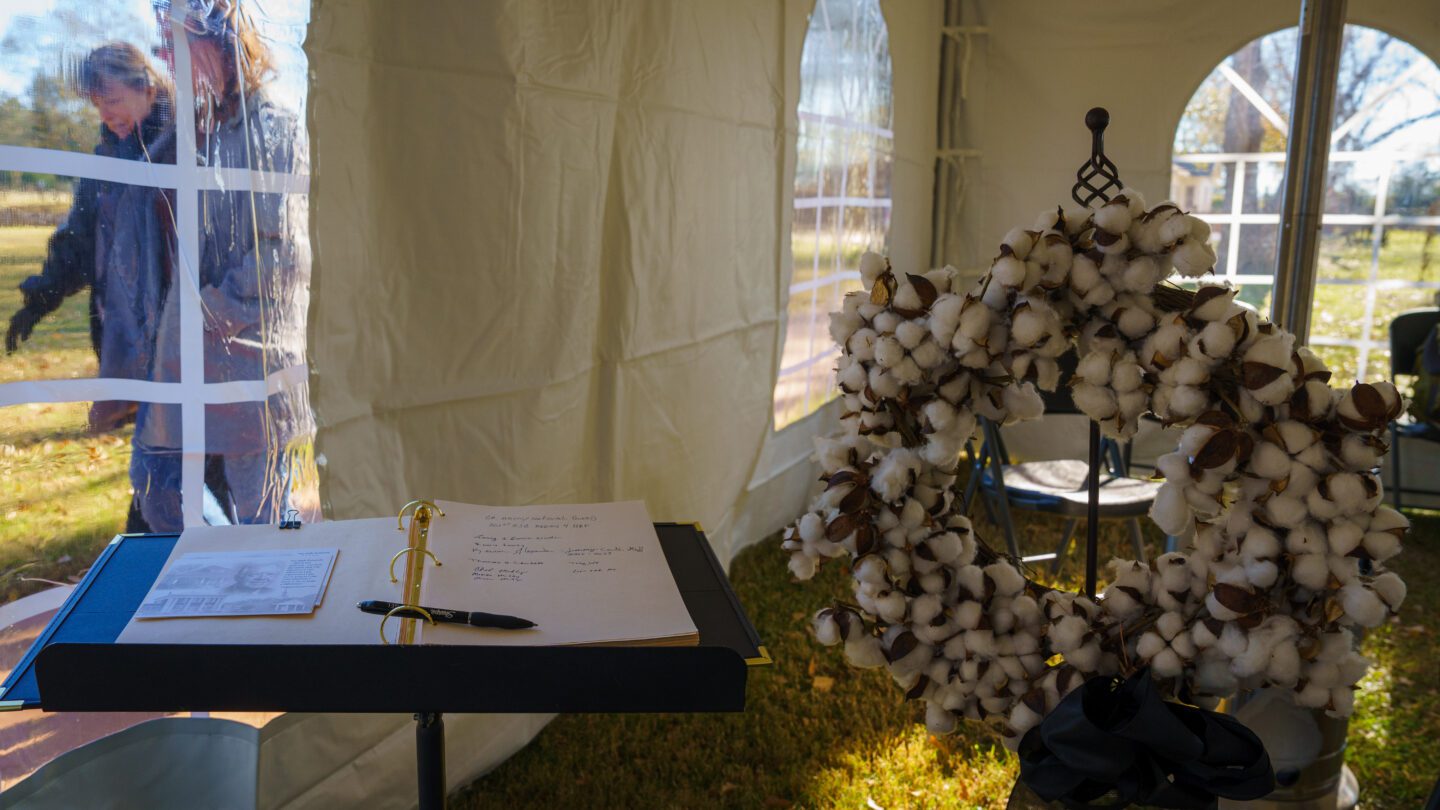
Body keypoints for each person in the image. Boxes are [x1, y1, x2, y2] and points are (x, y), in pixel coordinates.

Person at [133, 0, 311, 531]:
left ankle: (266, 601)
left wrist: (214, 309)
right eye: (162, 44)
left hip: (246, 354)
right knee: (156, 488)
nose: (166, 58)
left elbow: (285, 251)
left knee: (261, 511)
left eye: (176, 43)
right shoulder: (188, 127)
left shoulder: (271, 126)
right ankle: (219, 575)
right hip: (184, 356)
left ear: (222, 46)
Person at [5, 42, 175, 434]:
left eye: (113, 100)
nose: (105, 114)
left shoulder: (183, 150)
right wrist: (41, 298)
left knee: (179, 468)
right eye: (97, 104)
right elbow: (78, 241)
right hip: (125, 341)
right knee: (156, 469)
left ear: (147, 87)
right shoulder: (107, 159)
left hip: (176, 344)